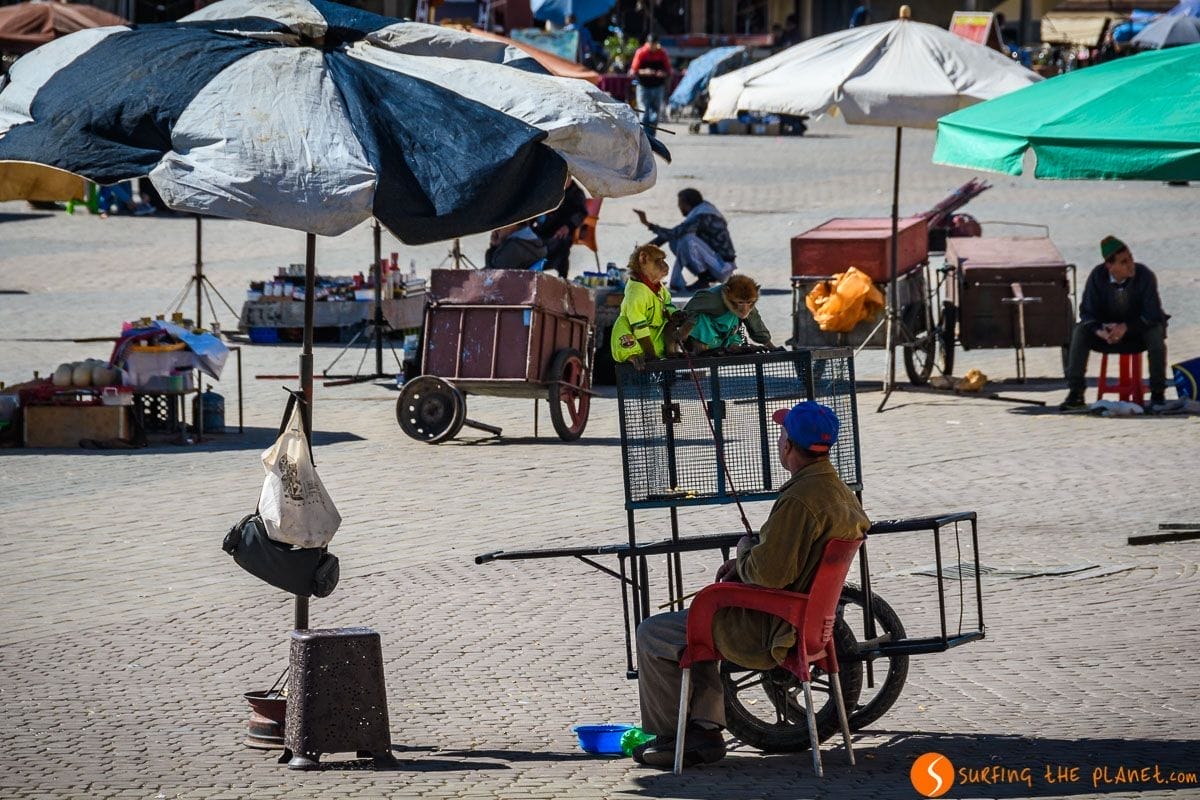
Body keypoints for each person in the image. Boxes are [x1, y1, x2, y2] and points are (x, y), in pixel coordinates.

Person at [631, 401, 870, 768]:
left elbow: (770, 574)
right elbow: (788, 558)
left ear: (788, 446)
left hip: (772, 627)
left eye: (781, 435)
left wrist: (744, 551)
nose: (778, 441)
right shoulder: (837, 491)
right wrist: (749, 560)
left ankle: (674, 739)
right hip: (809, 620)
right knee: (701, 617)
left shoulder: (801, 500)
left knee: (654, 632)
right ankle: (705, 731)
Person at [1060, 236, 1168, 410]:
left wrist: (1126, 328)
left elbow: (1153, 313)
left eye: (1131, 258)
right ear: (1110, 266)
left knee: (1155, 332)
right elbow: (1087, 312)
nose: (1130, 264)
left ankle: (1158, 395)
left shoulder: (1144, 275)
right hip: (1106, 336)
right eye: (1124, 262)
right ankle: (1076, 393)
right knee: (1079, 331)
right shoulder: (1098, 276)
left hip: (1136, 335)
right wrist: (1100, 331)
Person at [634, 188, 736, 293]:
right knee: (676, 241)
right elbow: (672, 235)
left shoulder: (704, 216)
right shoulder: (701, 211)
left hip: (722, 268)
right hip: (715, 264)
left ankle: (705, 279)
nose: (679, 207)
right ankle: (702, 278)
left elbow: (674, 233)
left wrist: (647, 224)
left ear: (686, 203)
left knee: (687, 240)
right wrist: (643, 252)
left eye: (680, 204)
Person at [611, 244, 676, 365]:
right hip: (637, 342)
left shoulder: (657, 286)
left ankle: (671, 353)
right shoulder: (636, 292)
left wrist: (675, 314)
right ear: (643, 259)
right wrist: (650, 354)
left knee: (671, 323)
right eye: (658, 261)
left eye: (664, 260)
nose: (665, 265)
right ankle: (633, 355)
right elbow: (639, 327)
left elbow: (667, 304)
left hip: (656, 339)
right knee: (621, 323)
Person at [681, 274, 774, 352]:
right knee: (700, 318)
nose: (744, 309)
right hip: (701, 341)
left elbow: (756, 324)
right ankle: (704, 349)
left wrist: (771, 346)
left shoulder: (748, 305)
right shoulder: (711, 298)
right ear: (726, 292)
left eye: (749, 302)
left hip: (724, 339)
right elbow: (685, 314)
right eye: (740, 302)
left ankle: (734, 347)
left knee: (736, 317)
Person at [531, 180, 589, 279]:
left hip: (563, 230)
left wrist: (568, 226)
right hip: (543, 228)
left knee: (561, 243)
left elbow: (581, 213)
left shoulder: (576, 193)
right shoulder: (552, 189)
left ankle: (561, 277)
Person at [629, 34, 672, 129]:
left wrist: (663, 73)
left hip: (658, 87)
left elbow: (669, 70)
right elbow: (633, 70)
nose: (653, 47)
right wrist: (645, 71)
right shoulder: (641, 52)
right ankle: (644, 135)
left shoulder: (662, 53)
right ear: (647, 43)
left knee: (655, 114)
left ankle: (652, 137)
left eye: (655, 44)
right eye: (651, 44)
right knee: (644, 113)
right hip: (643, 86)